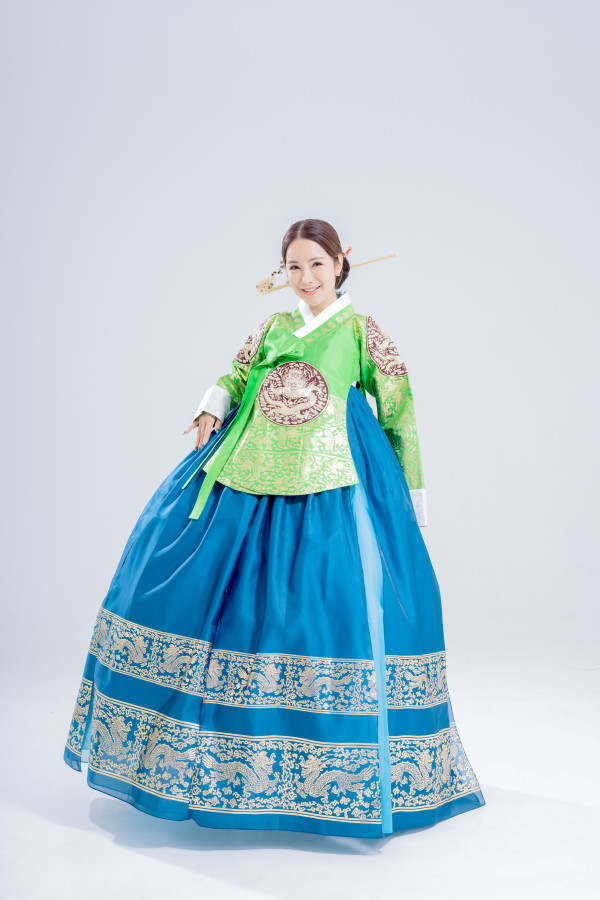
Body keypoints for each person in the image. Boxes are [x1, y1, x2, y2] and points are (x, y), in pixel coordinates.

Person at [64, 218, 486, 839]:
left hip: (332, 483)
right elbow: (236, 376)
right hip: (249, 473)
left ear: (340, 263)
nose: (306, 277)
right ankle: (216, 760)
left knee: (325, 609)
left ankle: (326, 768)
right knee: (217, 598)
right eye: (294, 266)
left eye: (317, 264)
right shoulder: (272, 328)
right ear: (282, 271)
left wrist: (406, 501)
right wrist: (212, 404)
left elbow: (400, 412)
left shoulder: (362, 332)